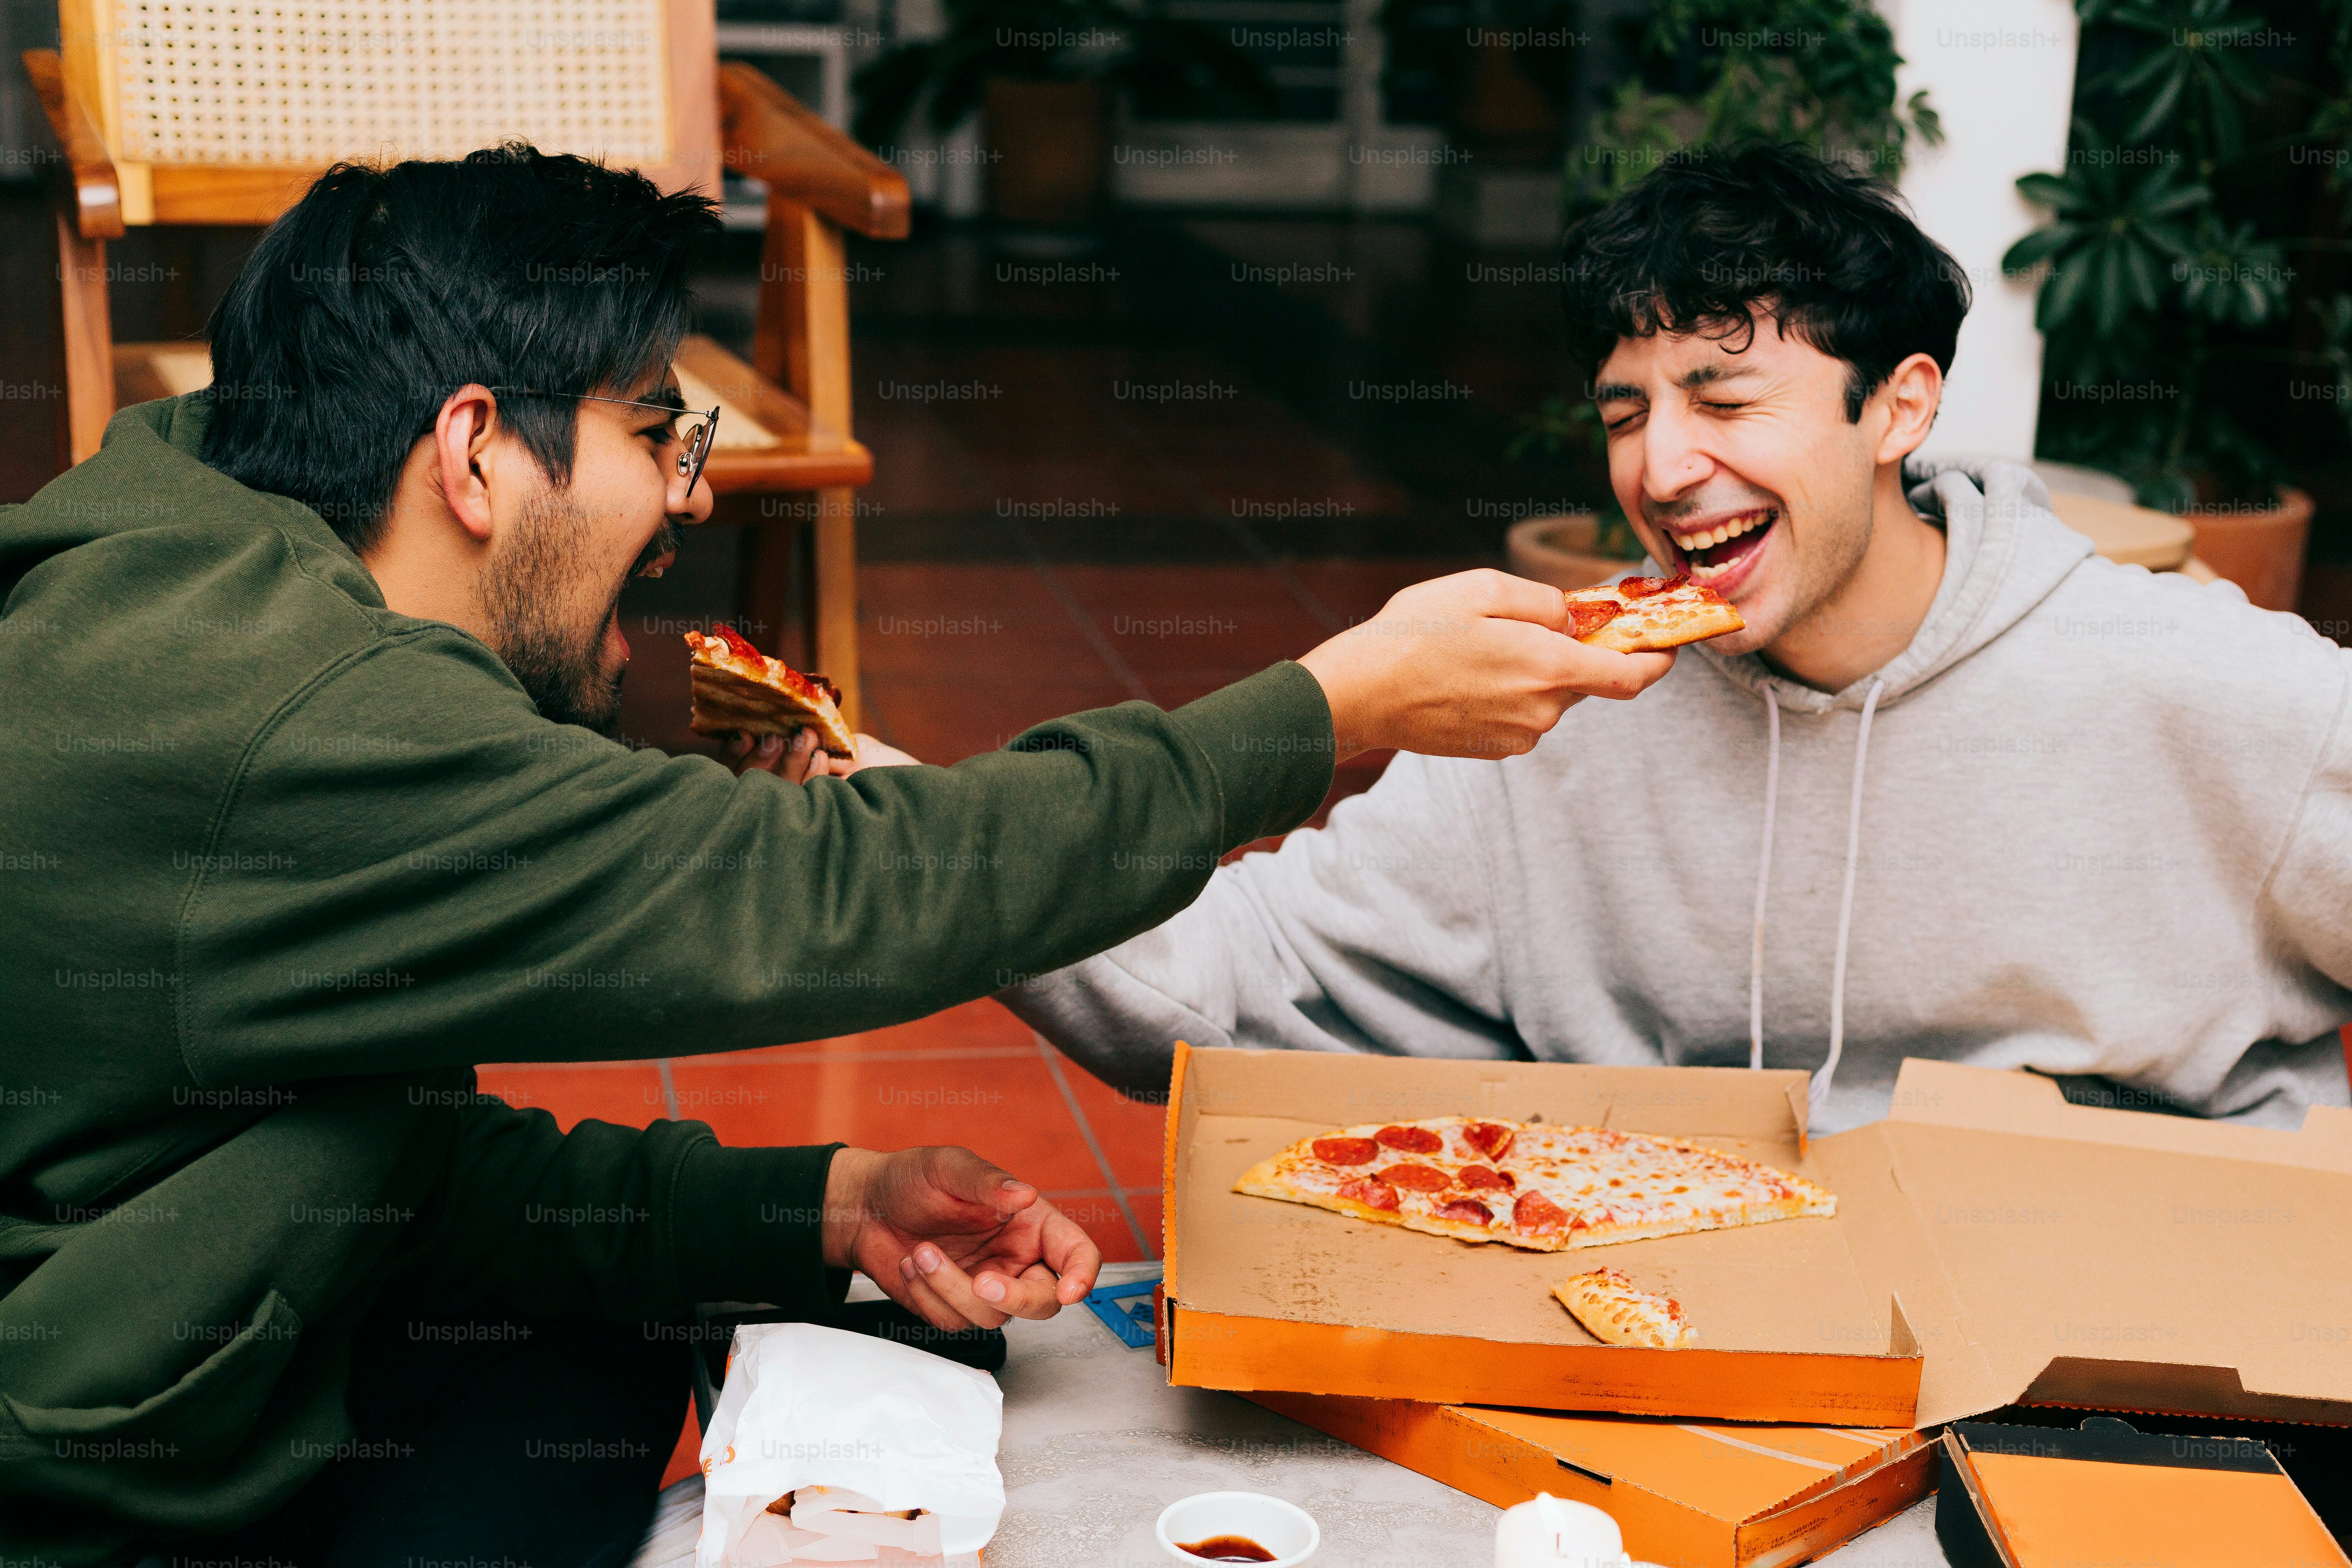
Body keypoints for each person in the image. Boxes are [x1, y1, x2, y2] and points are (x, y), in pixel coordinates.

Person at [0, 146, 1674, 1565]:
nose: (693, 496)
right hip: (77, 1485)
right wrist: (1334, 708)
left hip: (193, 1328)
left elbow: (368, 1160)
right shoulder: (298, 719)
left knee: (619, 1357)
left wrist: (824, 1201)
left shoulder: (192, 553)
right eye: (663, 432)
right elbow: (816, 892)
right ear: (475, 452)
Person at [1004, 143, 2352, 1135]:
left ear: (1899, 408)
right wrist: (892, 834)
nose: (1663, 466)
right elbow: (1236, 983)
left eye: (1725, 397)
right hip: (1681, 1326)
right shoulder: (1560, 701)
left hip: (2117, 1360)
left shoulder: (2198, 684)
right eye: (1626, 411)